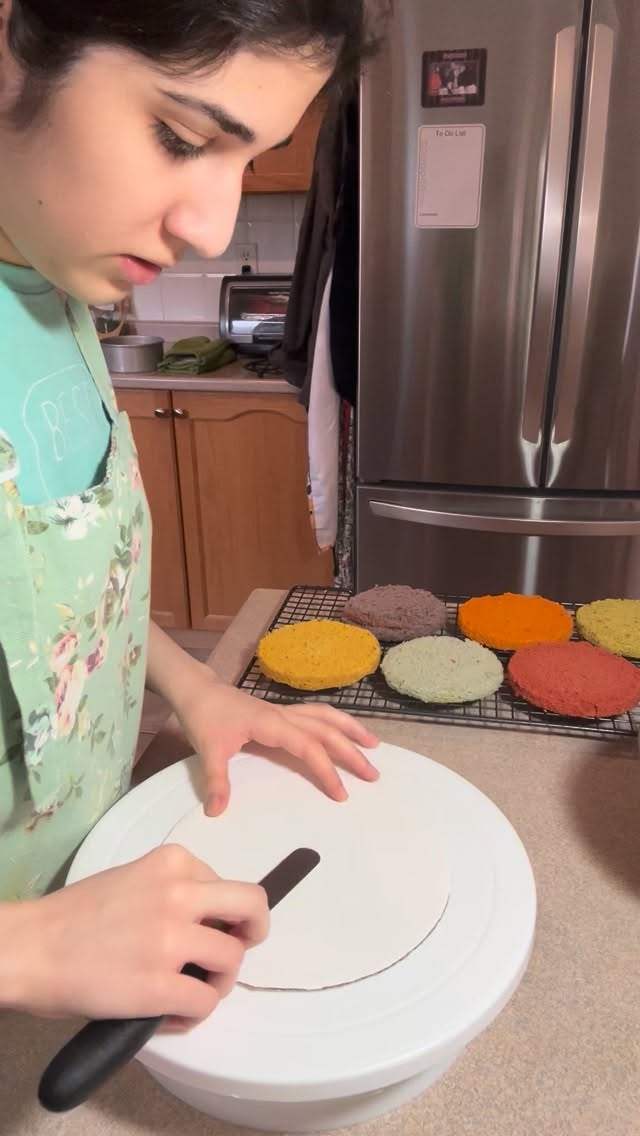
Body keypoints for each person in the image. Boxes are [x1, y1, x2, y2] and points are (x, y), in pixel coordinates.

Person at [0, 0, 383, 1026]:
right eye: (179, 136)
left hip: (86, 930)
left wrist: (195, 687)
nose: (211, 228)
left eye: (247, 159)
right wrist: (29, 948)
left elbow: (66, 608)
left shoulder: (50, 279)